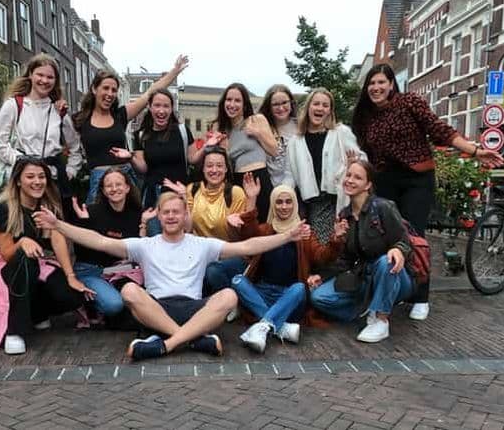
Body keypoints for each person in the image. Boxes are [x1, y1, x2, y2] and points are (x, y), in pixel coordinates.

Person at [33, 191, 312, 361]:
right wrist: (58, 224)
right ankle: (191, 340)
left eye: (176, 212)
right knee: (129, 291)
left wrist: (287, 235)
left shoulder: (202, 244)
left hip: (193, 309)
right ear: (159, 217)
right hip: (157, 308)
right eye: (165, 212)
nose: (170, 216)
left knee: (228, 294)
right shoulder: (145, 245)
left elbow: (247, 246)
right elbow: (99, 241)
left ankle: (164, 344)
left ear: (184, 216)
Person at [351, 63, 504, 320]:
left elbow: (440, 130)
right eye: (371, 84)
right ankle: (396, 291)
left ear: (391, 84)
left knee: (414, 236)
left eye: (381, 83)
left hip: (416, 179)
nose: (376, 88)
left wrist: (475, 151)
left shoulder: (410, 102)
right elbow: (366, 152)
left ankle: (421, 297)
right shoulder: (365, 116)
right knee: (386, 237)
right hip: (385, 181)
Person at [0, 158, 94, 355]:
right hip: (9, 267)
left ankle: (37, 313)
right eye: (30, 177)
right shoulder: (3, 208)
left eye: (41, 176)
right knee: (25, 259)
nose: (37, 181)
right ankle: (15, 330)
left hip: (39, 264)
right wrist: (21, 243)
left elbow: (58, 240)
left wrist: (71, 277)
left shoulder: (47, 206)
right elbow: (7, 253)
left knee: (70, 296)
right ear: (18, 180)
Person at [226, 179, 343, 353]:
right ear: (273, 205)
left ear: (295, 204)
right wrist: (251, 199)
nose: (284, 206)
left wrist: (336, 239)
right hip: (262, 292)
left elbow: (322, 257)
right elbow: (248, 238)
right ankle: (278, 327)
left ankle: (264, 324)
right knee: (237, 280)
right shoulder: (266, 230)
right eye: (279, 202)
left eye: (288, 202)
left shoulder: (304, 232)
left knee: (299, 288)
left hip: (288, 296)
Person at [308, 160, 419, 343]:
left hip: (395, 276)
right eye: (349, 175)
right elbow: (344, 260)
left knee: (386, 261)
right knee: (318, 297)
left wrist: (398, 249)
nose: (350, 180)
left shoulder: (383, 207)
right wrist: (324, 273)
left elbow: (404, 240)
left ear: (368, 185)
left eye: (357, 177)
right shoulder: (345, 215)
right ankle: (365, 310)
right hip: (364, 277)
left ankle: (381, 320)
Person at [73, 56, 189, 203]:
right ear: (94, 89)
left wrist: (175, 71)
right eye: (106, 88)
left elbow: (150, 93)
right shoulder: (79, 120)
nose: (110, 94)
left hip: (125, 178)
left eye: (114, 90)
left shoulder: (120, 115)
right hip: (100, 182)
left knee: (132, 223)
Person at [0, 54, 82, 204]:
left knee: (51, 223)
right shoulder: (14, 105)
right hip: (22, 181)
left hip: (52, 181)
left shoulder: (58, 110)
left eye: (50, 77)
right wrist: (23, 163)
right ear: (31, 75)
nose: (44, 81)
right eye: (40, 75)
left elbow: (75, 147)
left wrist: (69, 171)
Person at [116, 88, 202, 235]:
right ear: (149, 107)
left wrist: (208, 148)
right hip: (153, 197)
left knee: (181, 239)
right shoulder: (142, 134)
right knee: (156, 242)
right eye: (157, 105)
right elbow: (143, 168)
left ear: (171, 109)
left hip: (179, 193)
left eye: (166, 106)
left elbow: (192, 159)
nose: (161, 110)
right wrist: (130, 158)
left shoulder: (182, 131)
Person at [288, 88, 364, 243]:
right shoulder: (296, 141)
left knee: (342, 242)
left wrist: (352, 166)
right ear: (308, 107)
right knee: (322, 248)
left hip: (340, 198)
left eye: (325, 105)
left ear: (330, 110)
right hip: (313, 202)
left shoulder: (340, 133)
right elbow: (290, 173)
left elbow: (362, 160)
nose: (320, 108)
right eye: (316, 104)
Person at [71, 167, 149, 319]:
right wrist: (84, 224)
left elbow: (139, 249)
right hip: (92, 270)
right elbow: (81, 252)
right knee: (114, 305)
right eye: (109, 186)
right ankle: (86, 303)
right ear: (104, 191)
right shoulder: (90, 212)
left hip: (121, 270)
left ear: (127, 187)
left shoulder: (137, 213)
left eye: (118, 184)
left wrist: (144, 224)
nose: (114, 189)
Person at [180, 147, 247, 296]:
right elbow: (188, 230)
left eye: (219, 166)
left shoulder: (236, 192)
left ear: (226, 169)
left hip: (230, 254)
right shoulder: (192, 189)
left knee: (212, 270)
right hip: (201, 254)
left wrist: (232, 224)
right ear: (203, 169)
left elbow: (240, 238)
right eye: (209, 166)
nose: (214, 170)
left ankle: (232, 300)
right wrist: (184, 203)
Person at [212, 83, 277, 222]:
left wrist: (257, 133)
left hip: (259, 178)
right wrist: (223, 149)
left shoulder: (256, 119)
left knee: (263, 226)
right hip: (237, 182)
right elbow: (226, 166)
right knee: (243, 229)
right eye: (229, 100)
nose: (232, 104)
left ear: (245, 105)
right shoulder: (222, 128)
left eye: (237, 100)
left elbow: (274, 150)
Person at [256, 84, 297, 188]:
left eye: (284, 103)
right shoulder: (262, 126)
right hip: (269, 188)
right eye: (275, 104)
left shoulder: (300, 126)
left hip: (296, 189)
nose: (281, 108)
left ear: (291, 103)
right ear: (269, 107)